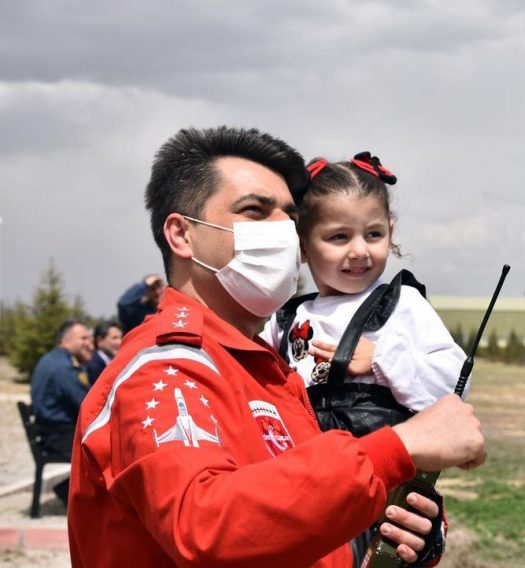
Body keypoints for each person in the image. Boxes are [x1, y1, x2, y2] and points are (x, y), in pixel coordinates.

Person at [68, 126, 485, 568]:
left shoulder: (265, 367)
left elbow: (296, 509)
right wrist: (394, 450)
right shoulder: (167, 371)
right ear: (182, 234)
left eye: (289, 216)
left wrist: (402, 535)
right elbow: (210, 528)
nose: (282, 232)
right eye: (254, 210)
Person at [260, 152, 467, 431]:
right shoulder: (286, 319)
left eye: (373, 234)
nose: (359, 251)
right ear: (303, 246)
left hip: (378, 469)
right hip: (305, 466)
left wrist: (382, 361)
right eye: (339, 237)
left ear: (390, 233)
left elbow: (455, 385)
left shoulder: (400, 304)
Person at [30, 319, 93, 505]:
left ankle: (66, 490)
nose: (89, 344)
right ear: (66, 341)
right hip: (60, 436)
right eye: (84, 338)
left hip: (53, 433)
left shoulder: (53, 359)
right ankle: (73, 493)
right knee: (114, 445)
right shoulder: (64, 368)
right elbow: (87, 404)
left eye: (90, 339)